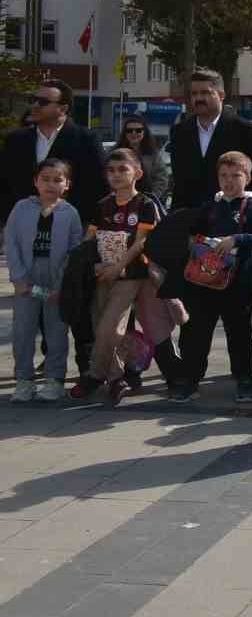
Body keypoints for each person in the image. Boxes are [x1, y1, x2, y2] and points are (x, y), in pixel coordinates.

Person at [173, 150, 252, 403]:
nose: (229, 181)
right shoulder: (209, 207)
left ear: (247, 178)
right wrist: (199, 244)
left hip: (238, 284)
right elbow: (192, 234)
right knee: (197, 334)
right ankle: (191, 380)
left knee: (238, 334)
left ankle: (244, 379)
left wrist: (236, 240)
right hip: (204, 283)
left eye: (235, 175)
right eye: (224, 175)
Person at [73, 150, 161, 403]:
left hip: (130, 274)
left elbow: (140, 244)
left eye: (123, 169)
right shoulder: (102, 205)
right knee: (103, 327)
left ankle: (95, 374)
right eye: (111, 171)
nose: (116, 175)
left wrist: (117, 266)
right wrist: (93, 265)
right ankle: (115, 378)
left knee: (109, 327)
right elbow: (90, 238)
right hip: (102, 274)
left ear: (138, 173)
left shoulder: (145, 204)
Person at [6, 159, 83, 402]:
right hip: (27, 277)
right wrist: (18, 278)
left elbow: (74, 251)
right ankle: (24, 380)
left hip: (55, 280)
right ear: (36, 182)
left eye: (57, 179)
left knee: (56, 331)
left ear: (67, 184)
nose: (51, 184)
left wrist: (61, 286)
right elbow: (12, 243)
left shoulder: (70, 213)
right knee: (23, 331)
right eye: (45, 179)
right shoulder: (21, 208)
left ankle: (55, 379)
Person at [167, 69, 252, 212]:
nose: (198, 98)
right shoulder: (179, 132)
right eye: (194, 93)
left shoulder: (245, 130)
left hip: (231, 217)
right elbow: (179, 180)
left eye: (205, 92)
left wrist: (245, 212)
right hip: (189, 219)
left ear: (221, 95)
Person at [3, 79, 106, 220]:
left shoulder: (86, 139)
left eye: (43, 102)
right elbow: (5, 184)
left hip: (70, 226)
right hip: (22, 225)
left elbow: (98, 186)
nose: (35, 105)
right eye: (33, 99)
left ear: (63, 109)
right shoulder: (16, 140)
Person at [115, 114, 170, 205]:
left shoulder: (153, 155)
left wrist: (149, 199)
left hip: (146, 203)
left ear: (144, 132)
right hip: (120, 202)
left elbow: (161, 179)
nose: (134, 133)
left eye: (138, 130)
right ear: (124, 133)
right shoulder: (115, 153)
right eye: (129, 130)